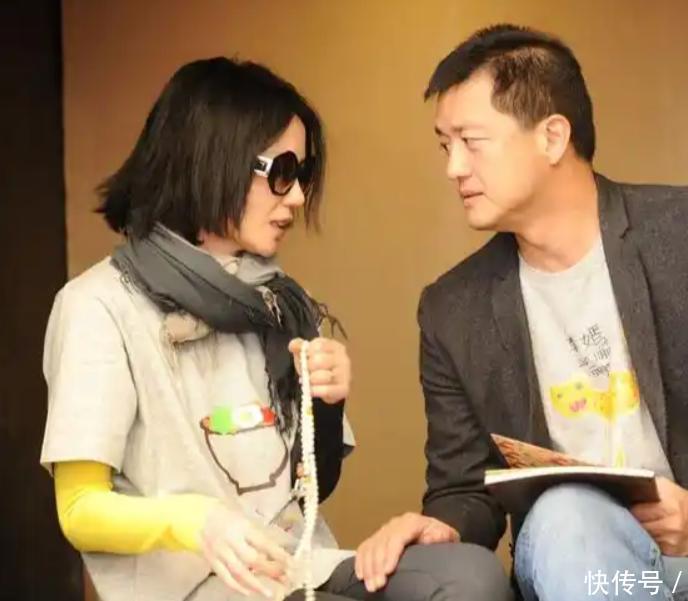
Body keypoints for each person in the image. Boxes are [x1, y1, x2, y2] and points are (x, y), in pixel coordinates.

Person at [355, 24, 688, 601]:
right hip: (577, 563)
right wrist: (443, 528)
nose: (453, 167)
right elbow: (465, 490)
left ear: (552, 137)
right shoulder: (453, 310)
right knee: (565, 511)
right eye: (444, 145)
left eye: (471, 141)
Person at [40, 57, 511, 601]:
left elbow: (312, 490)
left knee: (470, 576)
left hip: (298, 566)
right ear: (212, 160)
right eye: (283, 172)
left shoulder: (277, 300)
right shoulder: (98, 306)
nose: (298, 197)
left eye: (302, 175)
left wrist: (326, 406)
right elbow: (79, 509)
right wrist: (198, 522)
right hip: (194, 586)